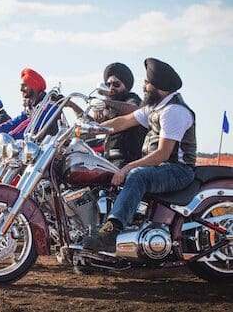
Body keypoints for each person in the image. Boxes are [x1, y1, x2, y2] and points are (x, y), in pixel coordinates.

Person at [83, 58, 196, 252]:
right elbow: (123, 122)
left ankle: (112, 232)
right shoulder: (155, 108)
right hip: (160, 168)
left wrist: (128, 167)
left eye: (147, 82)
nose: (143, 86)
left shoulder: (173, 111)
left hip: (177, 170)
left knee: (137, 175)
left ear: (158, 86)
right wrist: (88, 130)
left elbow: (162, 154)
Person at [98, 63, 147, 167]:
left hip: (128, 160)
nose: (111, 88)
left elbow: (135, 110)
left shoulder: (132, 99)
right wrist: (72, 105)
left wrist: (105, 102)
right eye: (108, 85)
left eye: (116, 84)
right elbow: (96, 125)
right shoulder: (110, 106)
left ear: (126, 86)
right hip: (109, 159)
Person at [0, 68, 48, 139]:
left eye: (24, 85)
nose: (21, 89)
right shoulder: (32, 107)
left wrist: (11, 137)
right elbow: (13, 123)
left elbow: (32, 128)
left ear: (34, 87)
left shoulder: (47, 107)